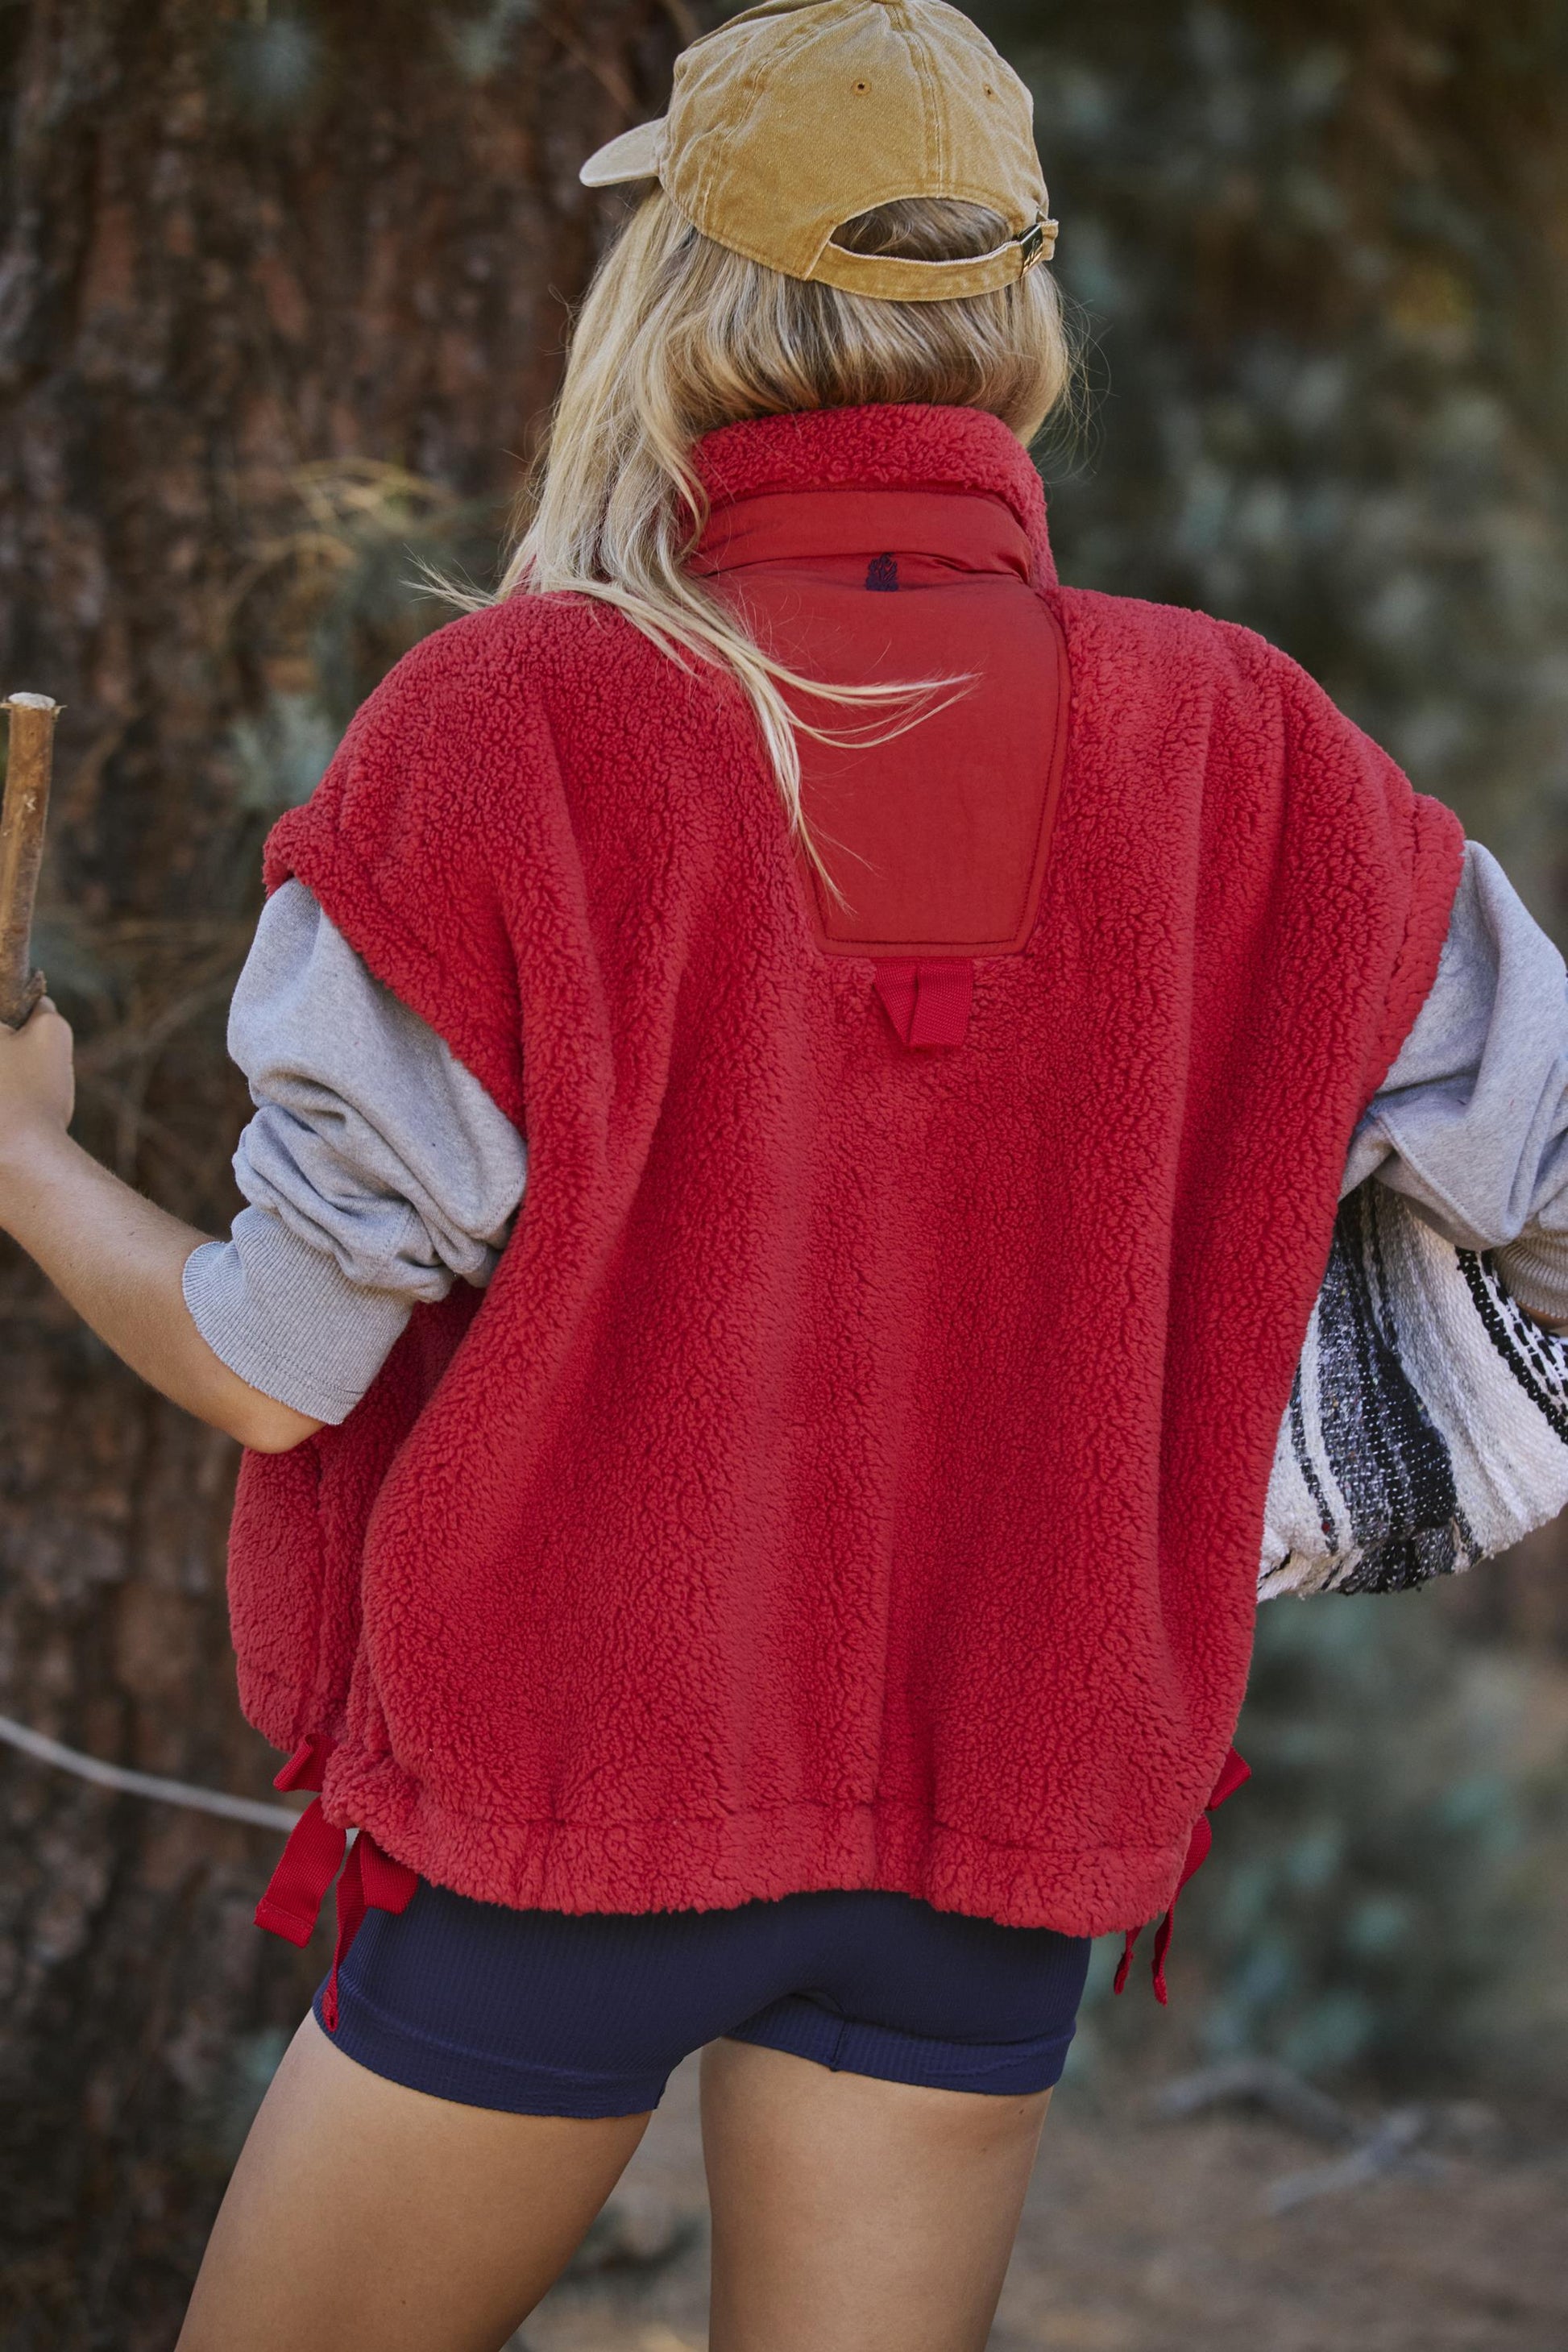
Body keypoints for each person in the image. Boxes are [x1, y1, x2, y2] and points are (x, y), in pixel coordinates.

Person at [2, 3, 1567, 2346]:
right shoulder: (1244, 743)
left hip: (566, 1816)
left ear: (673, 299)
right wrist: (1235, 1427)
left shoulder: (513, 724)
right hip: (994, 1835)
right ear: (1017, 305)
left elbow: (269, 1365)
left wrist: (23, 1157)